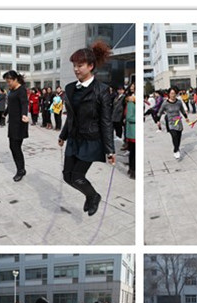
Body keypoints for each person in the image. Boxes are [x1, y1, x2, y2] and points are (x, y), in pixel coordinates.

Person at [58, 41, 115, 217]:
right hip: (73, 139)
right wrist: (63, 135)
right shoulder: (70, 88)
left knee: (77, 177)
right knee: (67, 176)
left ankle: (93, 196)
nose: (76, 69)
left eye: (80, 65)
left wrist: (110, 150)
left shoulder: (102, 90)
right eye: (74, 65)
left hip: (91, 140)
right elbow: (71, 116)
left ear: (90, 66)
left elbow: (106, 121)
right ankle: (90, 195)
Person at [3, 70, 29, 182]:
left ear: (15, 79)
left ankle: (20, 170)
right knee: (13, 147)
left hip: (20, 123)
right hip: (13, 122)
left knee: (15, 147)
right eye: (7, 82)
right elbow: (10, 104)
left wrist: (24, 115)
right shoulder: (12, 90)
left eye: (9, 81)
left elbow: (24, 103)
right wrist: (5, 113)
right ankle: (21, 169)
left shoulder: (21, 90)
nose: (8, 84)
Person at [157, 87, 189, 159]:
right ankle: (176, 150)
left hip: (178, 121)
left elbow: (182, 110)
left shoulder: (179, 102)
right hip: (170, 122)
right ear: (168, 94)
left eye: (174, 93)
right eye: (171, 93)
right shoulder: (165, 103)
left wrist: (186, 117)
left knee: (178, 137)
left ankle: (177, 147)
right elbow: (160, 112)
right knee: (174, 135)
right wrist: (158, 121)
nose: (173, 95)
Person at [124, 83, 136, 179]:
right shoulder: (131, 102)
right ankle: (132, 170)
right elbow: (129, 117)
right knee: (133, 152)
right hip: (133, 132)